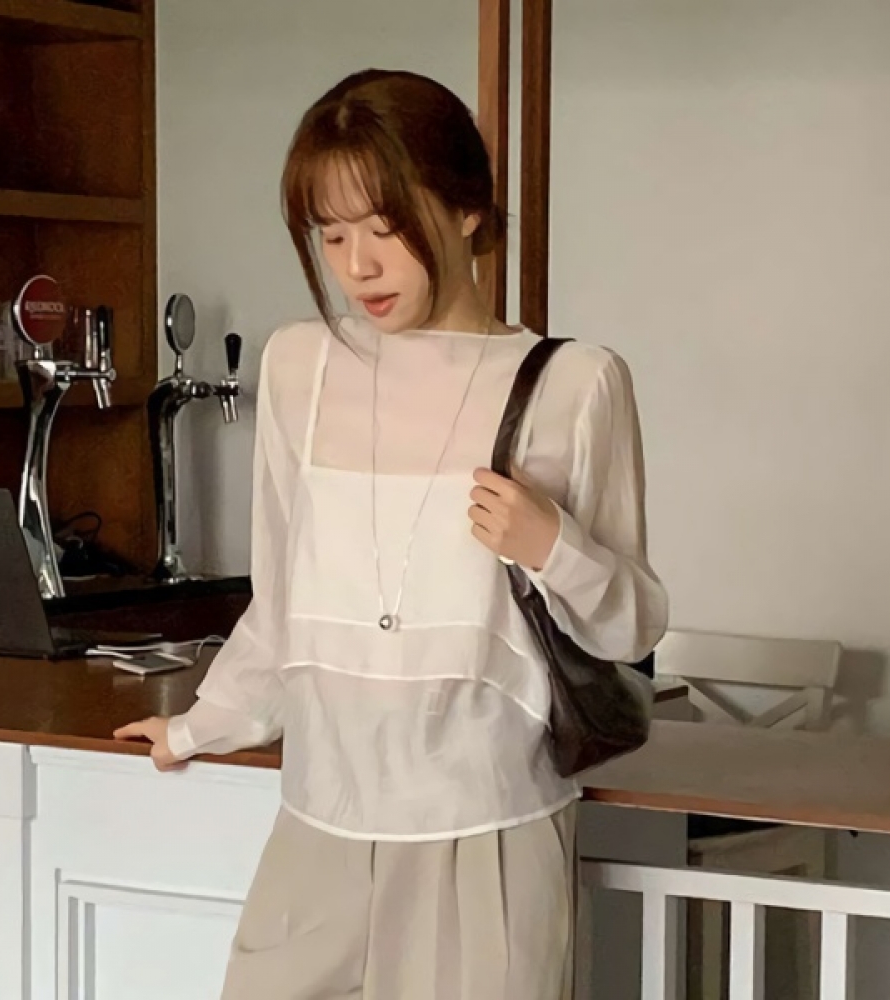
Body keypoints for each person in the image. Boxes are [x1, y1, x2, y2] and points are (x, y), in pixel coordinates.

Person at [114, 68, 668, 1000]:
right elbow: (282, 600)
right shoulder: (302, 366)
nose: (357, 266)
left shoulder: (574, 385)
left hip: (488, 839)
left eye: (383, 227)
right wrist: (202, 725)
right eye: (330, 236)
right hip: (318, 831)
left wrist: (552, 545)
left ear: (465, 210)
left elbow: (632, 626)